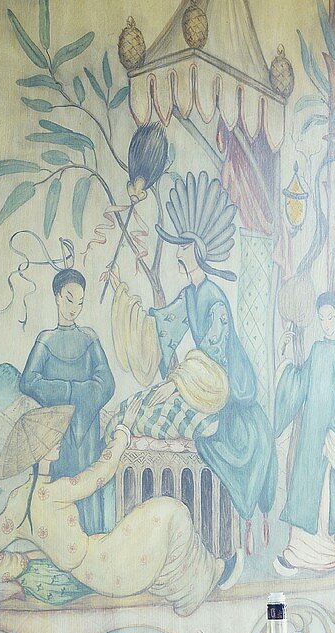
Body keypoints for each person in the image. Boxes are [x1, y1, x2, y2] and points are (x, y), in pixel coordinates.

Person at [110, 171, 276, 583]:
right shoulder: (189, 295)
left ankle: (222, 551)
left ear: (194, 251)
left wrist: (181, 381)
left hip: (229, 398)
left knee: (202, 436)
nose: (175, 254)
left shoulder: (215, 300)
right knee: (144, 406)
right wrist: (124, 300)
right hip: (201, 386)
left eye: (180, 247)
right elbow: (161, 326)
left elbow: (216, 359)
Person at [0, 400, 226, 616]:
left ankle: (192, 582)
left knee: (165, 514)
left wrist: (20, 564)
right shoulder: (52, 492)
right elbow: (101, 473)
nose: (59, 442)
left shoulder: (17, 501)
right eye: (52, 441)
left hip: (99, 557)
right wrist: (122, 433)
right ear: (39, 453)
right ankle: (201, 583)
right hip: (104, 568)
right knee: (173, 512)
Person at [19, 269, 115, 535]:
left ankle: (91, 546)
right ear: (57, 297)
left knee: (86, 488)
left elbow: (107, 382)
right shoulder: (46, 339)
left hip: (86, 434)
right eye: (69, 299)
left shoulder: (89, 338)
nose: (74, 308)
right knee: (56, 491)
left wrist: (75, 396)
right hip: (55, 433)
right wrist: (72, 391)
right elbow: (28, 381)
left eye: (80, 302)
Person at [273, 292, 335, 573]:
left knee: (320, 491)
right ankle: (296, 552)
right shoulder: (317, 350)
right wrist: (284, 358)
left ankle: (322, 553)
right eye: (322, 318)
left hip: (326, 436)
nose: (327, 322)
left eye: (330, 317)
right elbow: (299, 384)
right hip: (308, 432)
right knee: (302, 486)